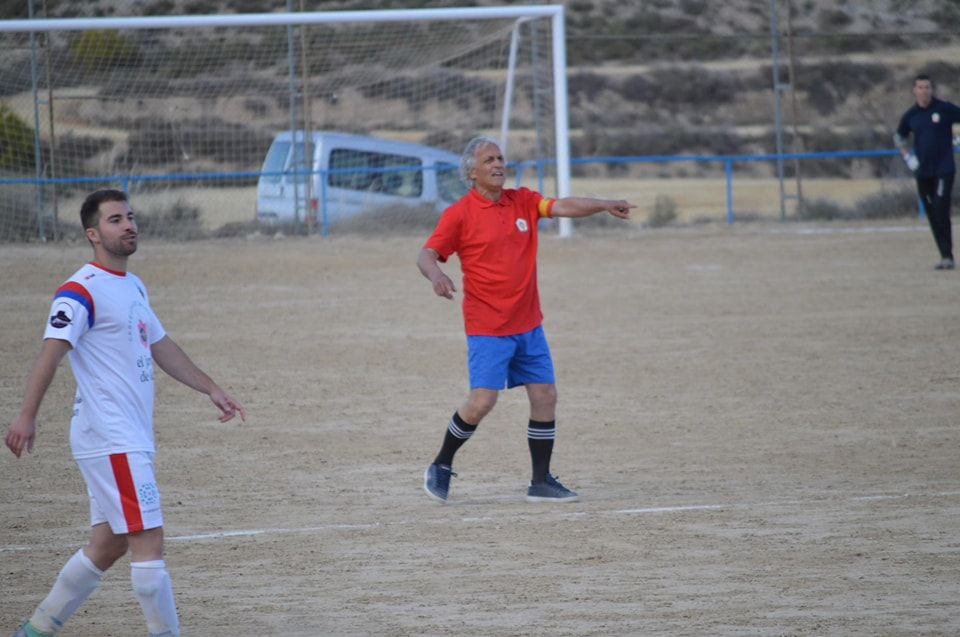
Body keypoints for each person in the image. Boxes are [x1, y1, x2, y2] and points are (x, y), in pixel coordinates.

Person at [6, 189, 245, 637]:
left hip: (125, 434)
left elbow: (160, 346)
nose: (129, 225)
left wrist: (210, 387)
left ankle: (35, 630)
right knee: (149, 541)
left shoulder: (133, 286)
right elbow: (51, 352)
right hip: (110, 435)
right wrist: (26, 415)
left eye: (131, 217)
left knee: (109, 543)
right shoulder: (80, 290)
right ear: (93, 234)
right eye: (116, 220)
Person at [417, 136, 634, 504]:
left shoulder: (524, 201)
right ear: (472, 172)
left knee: (546, 396)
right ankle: (440, 464)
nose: (499, 164)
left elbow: (563, 206)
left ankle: (540, 481)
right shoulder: (459, 214)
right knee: (482, 401)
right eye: (489, 160)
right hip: (488, 328)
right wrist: (437, 276)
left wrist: (603, 205)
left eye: (501, 158)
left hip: (529, 324)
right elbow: (427, 254)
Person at [895, 73, 960, 270]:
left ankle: (948, 255)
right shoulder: (911, 115)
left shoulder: (944, 109)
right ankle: (944, 256)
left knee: (941, 208)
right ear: (914, 91)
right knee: (932, 213)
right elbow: (899, 137)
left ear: (932, 90)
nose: (924, 91)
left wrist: (957, 139)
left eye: (928, 87)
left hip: (944, 168)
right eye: (921, 87)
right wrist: (908, 157)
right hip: (923, 171)